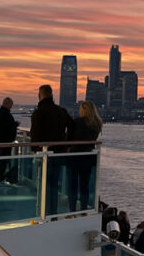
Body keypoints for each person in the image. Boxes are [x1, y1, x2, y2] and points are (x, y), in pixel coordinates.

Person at [31, 85, 73, 214]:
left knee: (44, 183)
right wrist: (66, 143)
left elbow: (35, 134)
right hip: (60, 152)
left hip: (45, 153)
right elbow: (72, 126)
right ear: (52, 94)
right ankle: (52, 211)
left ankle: (44, 211)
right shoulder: (61, 111)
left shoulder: (39, 112)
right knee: (54, 184)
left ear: (40, 95)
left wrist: (35, 148)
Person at [68, 101, 102, 211]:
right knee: (84, 185)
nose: (79, 111)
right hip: (88, 156)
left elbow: (68, 138)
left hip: (75, 156)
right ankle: (83, 209)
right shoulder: (96, 124)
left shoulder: (77, 122)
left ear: (84, 109)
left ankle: (72, 209)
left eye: (80, 109)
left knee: (72, 184)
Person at [0, 97, 17, 183]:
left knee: (1, 160)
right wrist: (14, 125)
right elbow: (7, 127)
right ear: (7, 104)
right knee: (3, 160)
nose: (11, 107)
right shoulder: (6, 114)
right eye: (11, 105)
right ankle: (0, 178)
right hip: (5, 142)